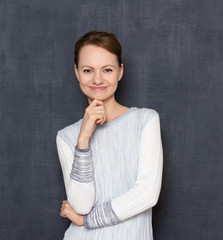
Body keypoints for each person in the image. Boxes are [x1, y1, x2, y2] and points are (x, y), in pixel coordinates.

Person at [56, 30, 163, 240]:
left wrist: (86, 221)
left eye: (107, 69)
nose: (97, 79)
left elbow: (147, 195)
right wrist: (83, 140)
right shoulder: (67, 136)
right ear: (77, 72)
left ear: (120, 72)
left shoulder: (145, 120)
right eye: (88, 70)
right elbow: (81, 204)